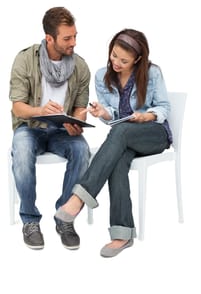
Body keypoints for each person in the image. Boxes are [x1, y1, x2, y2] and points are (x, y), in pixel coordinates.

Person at [54, 28, 172, 257]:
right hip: (123, 137)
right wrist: (103, 113)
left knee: (122, 132)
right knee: (117, 158)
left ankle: (77, 200)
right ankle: (122, 235)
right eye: (114, 55)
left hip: (153, 134)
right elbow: (114, 115)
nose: (116, 62)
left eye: (124, 60)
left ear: (137, 59)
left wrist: (145, 116)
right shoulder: (101, 76)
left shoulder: (152, 73)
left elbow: (164, 108)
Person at [9, 7, 91, 250]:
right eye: (67, 38)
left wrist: (76, 123)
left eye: (75, 36)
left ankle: (64, 218)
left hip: (61, 132)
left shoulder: (80, 66)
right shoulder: (25, 60)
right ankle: (30, 220)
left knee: (82, 150)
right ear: (49, 38)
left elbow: (79, 107)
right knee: (22, 150)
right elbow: (18, 108)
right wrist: (40, 111)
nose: (73, 43)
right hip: (30, 126)